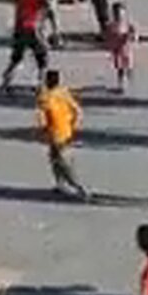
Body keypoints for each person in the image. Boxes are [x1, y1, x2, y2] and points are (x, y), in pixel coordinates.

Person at [36, 70, 91, 200]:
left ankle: (79, 188)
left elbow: (41, 116)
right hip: (66, 131)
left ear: (47, 81)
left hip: (55, 133)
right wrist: (73, 125)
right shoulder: (64, 92)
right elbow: (77, 110)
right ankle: (60, 184)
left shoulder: (45, 97)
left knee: (61, 161)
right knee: (54, 158)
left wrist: (42, 130)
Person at [0, 0, 51, 93]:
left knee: (17, 56)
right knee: (42, 57)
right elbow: (47, 5)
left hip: (20, 24)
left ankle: (7, 79)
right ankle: (41, 83)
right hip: (34, 26)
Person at [104, 1, 139, 93]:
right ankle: (121, 85)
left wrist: (133, 37)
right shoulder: (111, 25)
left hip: (127, 49)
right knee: (120, 68)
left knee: (129, 65)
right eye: (117, 14)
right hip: (117, 50)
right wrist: (110, 45)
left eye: (121, 13)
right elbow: (108, 37)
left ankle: (130, 77)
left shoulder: (128, 24)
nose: (119, 16)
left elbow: (134, 34)